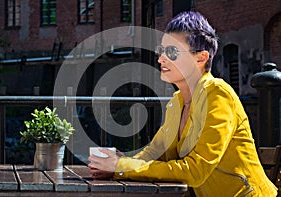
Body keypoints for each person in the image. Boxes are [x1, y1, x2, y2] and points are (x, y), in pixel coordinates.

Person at [88, 11, 278, 196]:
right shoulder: (177, 102)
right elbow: (155, 152)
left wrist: (122, 167)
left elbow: (195, 170)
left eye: (171, 51)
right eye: (161, 51)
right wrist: (119, 163)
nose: (161, 58)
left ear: (201, 58)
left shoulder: (218, 94)